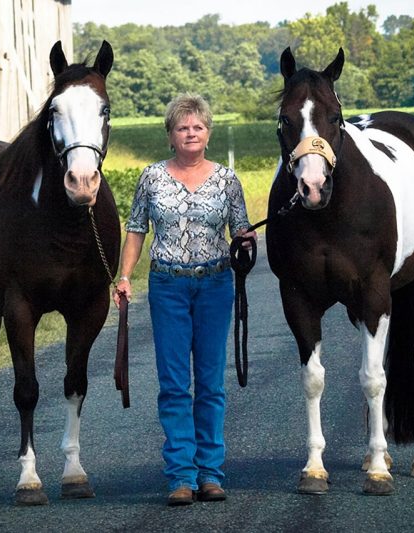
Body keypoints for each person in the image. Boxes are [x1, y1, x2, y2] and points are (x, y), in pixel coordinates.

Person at [113, 93, 255, 506]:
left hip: (215, 285)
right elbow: (137, 229)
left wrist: (246, 241)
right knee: (174, 384)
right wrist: (124, 276)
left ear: (207, 133)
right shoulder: (152, 177)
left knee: (210, 384)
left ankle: (211, 473)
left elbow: (240, 229)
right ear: (171, 136)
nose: (190, 133)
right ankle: (180, 476)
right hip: (168, 286)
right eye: (182, 127)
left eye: (197, 126)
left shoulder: (227, 180)